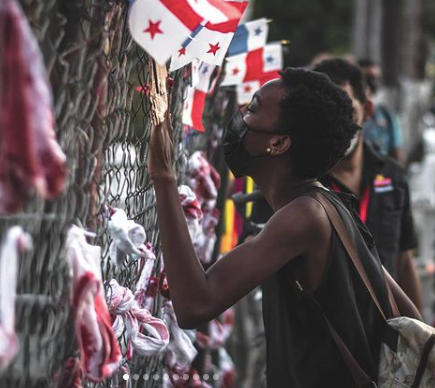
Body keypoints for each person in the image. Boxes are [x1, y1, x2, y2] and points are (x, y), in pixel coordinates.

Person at [148, 66, 422, 388]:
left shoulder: (304, 216)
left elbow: (195, 304)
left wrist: (163, 178)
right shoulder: (329, 207)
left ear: (277, 143)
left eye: (252, 109)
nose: (240, 115)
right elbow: (409, 313)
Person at [246, 58, 423, 312]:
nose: (338, 125)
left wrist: (421, 338)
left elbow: (404, 260)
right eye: (327, 116)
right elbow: (255, 252)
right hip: (320, 333)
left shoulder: (392, 176)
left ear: (368, 110)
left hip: (387, 331)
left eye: (348, 113)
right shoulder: (288, 178)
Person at [358, 58, 404, 163]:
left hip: (379, 174)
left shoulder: (384, 114)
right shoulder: (347, 113)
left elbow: (395, 151)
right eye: (366, 79)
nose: (371, 84)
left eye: (373, 79)